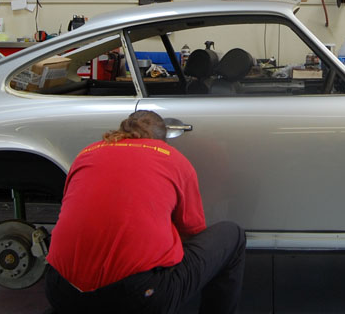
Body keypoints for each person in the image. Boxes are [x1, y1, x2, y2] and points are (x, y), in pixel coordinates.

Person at [45, 110, 246, 313]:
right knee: (233, 235)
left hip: (60, 290)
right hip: (136, 298)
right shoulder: (174, 160)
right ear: (163, 140)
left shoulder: (86, 153)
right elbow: (191, 231)